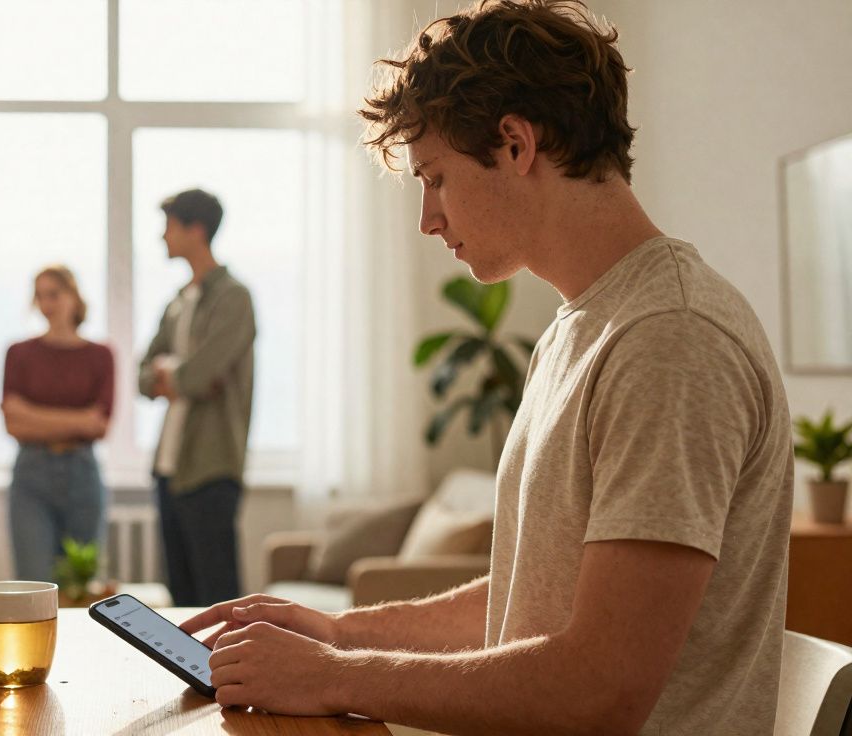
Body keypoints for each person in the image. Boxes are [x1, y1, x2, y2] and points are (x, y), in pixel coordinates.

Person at [180, 2, 793, 733]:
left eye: (434, 177)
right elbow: (530, 600)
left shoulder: (670, 339)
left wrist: (338, 676)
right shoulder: (580, 329)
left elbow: (602, 687)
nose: (428, 219)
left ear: (514, 143)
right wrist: (339, 636)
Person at [139, 189, 256, 607]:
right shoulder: (177, 302)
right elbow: (143, 374)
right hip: (168, 470)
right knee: (181, 599)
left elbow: (199, 374)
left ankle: (225, 676)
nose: (162, 237)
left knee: (217, 598)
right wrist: (177, 376)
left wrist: (179, 375)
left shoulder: (233, 297)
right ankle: (186, 676)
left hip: (211, 469)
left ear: (196, 229)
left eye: (168, 227)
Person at [1, 265, 115, 582]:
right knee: (34, 583)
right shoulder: (19, 353)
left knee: (81, 583)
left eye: (54, 294)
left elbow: (100, 426)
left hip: (82, 473)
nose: (47, 304)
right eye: (39, 296)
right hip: (31, 475)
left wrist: (32, 414)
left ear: (74, 297)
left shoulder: (101, 355)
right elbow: (13, 424)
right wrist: (78, 419)